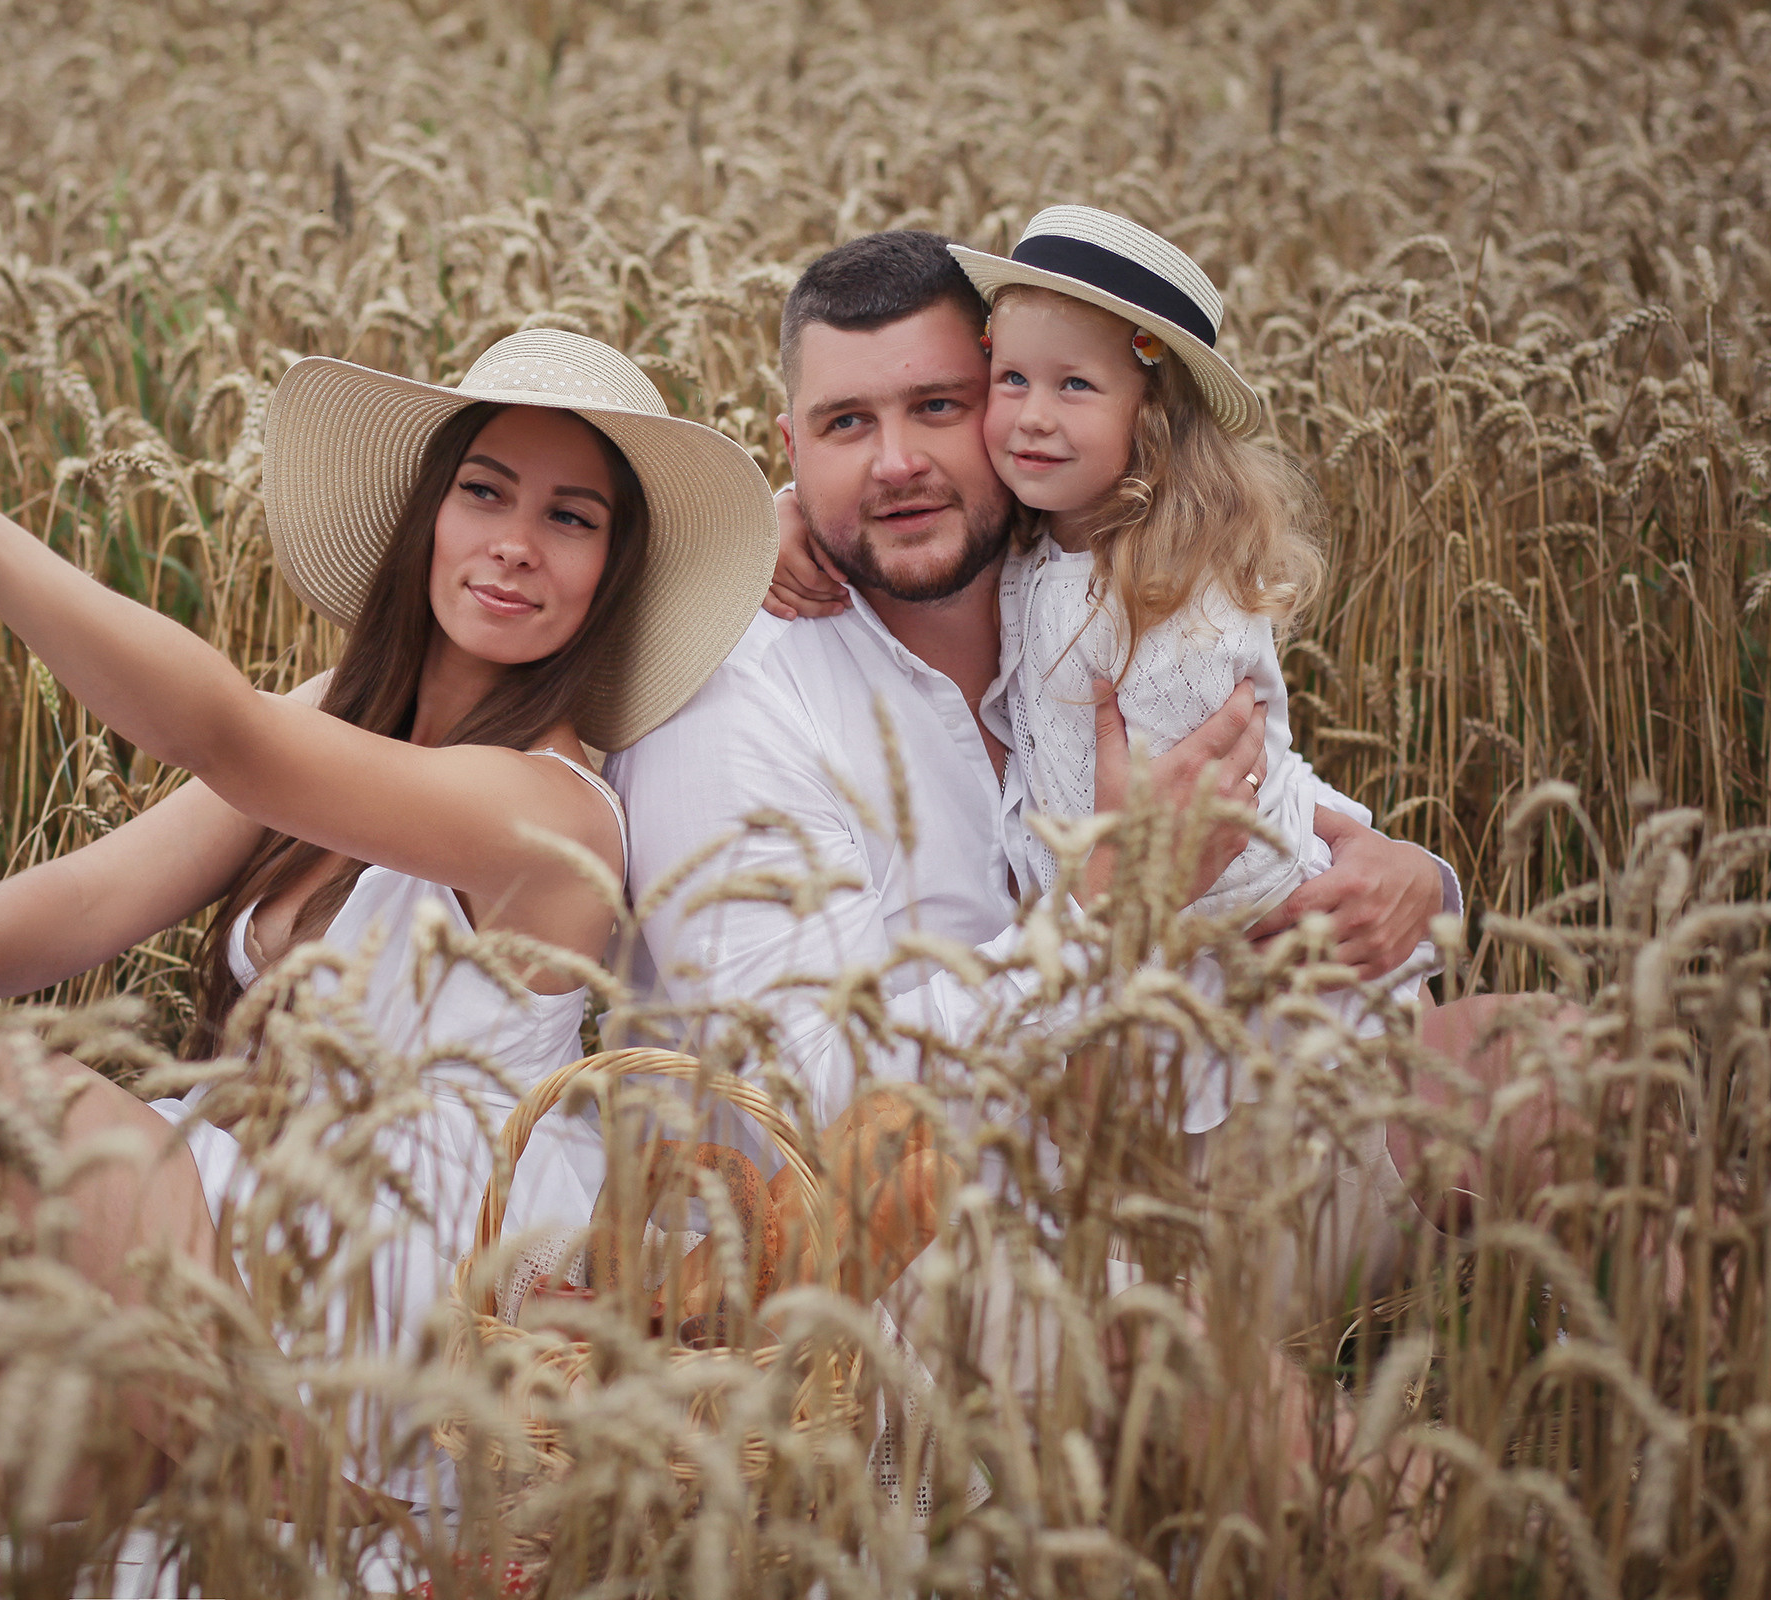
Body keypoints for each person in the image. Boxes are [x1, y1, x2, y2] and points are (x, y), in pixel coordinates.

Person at [0, 329, 779, 1506]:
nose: (515, 546)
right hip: (237, 1229)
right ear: (429, 514)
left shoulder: (552, 809)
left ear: (610, 575)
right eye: (484, 492)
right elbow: (93, 894)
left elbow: (219, 734)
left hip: (378, 1303)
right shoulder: (350, 712)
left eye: (571, 519)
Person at [608, 229, 1519, 1341]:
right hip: (951, 1268)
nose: (896, 462)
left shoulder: (1082, 591)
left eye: (940, 406)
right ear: (786, 446)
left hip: (1199, 1157)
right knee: (1200, 1375)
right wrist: (1107, 908)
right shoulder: (740, 705)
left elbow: (1250, 777)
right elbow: (822, 1099)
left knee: (1562, 1066)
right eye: (849, 424)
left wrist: (1415, 874)